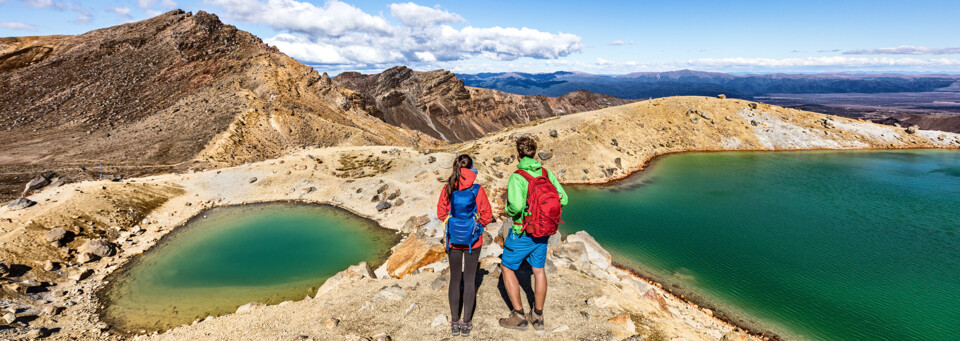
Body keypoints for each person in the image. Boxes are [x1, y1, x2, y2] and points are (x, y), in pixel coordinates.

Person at [499, 136, 567, 331]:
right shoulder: (545, 173)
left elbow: (516, 207)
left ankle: (519, 316)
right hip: (544, 232)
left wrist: (510, 210)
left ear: (518, 154)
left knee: (506, 267)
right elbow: (564, 198)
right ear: (535, 153)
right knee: (538, 271)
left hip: (523, 231)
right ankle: (537, 317)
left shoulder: (517, 176)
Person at [437, 154, 492, 337]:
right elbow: (486, 214)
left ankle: (454, 322)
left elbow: (440, 213)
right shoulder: (477, 190)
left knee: (455, 279)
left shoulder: (449, 187)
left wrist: (452, 223)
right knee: (469, 279)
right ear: (472, 168)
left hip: (453, 240)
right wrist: (476, 227)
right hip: (473, 241)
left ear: (456, 167)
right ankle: (466, 322)